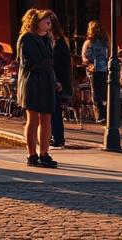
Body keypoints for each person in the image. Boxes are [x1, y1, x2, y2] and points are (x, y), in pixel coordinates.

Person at [16, 9, 58, 168]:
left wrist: (54, 80)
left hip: (46, 81)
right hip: (32, 81)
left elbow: (50, 63)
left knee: (47, 118)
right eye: (46, 20)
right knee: (33, 118)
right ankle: (32, 154)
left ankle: (44, 153)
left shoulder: (48, 39)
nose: (49, 23)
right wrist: (47, 64)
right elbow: (28, 63)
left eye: (50, 21)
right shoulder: (26, 38)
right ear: (37, 22)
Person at [47, 11, 74, 148]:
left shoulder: (58, 44)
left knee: (55, 112)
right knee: (54, 111)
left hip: (58, 83)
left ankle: (57, 138)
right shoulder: (60, 42)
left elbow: (56, 65)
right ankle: (56, 137)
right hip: (60, 82)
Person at [81, 22, 110, 121]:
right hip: (103, 69)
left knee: (96, 92)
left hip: (93, 69)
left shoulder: (89, 43)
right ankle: (105, 114)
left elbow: (84, 57)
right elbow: (109, 54)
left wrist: (89, 64)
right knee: (103, 91)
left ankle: (100, 115)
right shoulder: (105, 42)